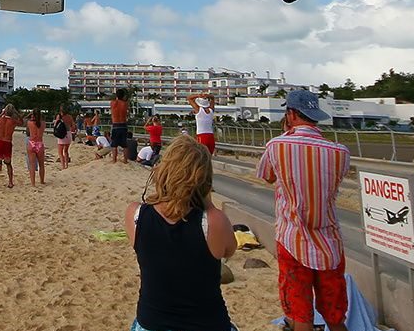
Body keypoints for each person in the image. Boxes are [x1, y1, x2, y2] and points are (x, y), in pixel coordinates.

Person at [256, 90, 350, 331]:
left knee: (300, 313)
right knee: (335, 312)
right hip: (329, 242)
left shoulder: (277, 145)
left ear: (290, 114)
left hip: (292, 239)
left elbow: (267, 177)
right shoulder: (340, 152)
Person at [125, 134, 237, 331]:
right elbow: (229, 250)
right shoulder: (214, 220)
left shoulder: (136, 214)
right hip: (207, 323)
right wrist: (206, 200)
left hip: (152, 322)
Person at [0, 104, 22, 189]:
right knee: (8, 163)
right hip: (8, 142)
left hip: (0, 142)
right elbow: (21, 122)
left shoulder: (0, 120)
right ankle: (10, 182)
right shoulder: (13, 121)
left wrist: (0, 114)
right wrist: (17, 114)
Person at [25, 108, 46, 186]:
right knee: (41, 165)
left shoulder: (30, 123)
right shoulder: (43, 123)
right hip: (39, 144)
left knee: (32, 165)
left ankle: (33, 183)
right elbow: (42, 120)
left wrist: (30, 114)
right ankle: (42, 181)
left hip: (32, 143)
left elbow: (25, 118)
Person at [110, 88, 130, 164]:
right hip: (123, 124)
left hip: (115, 124)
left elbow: (114, 102)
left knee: (114, 144)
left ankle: (114, 160)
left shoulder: (112, 103)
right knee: (124, 144)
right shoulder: (125, 104)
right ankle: (125, 160)